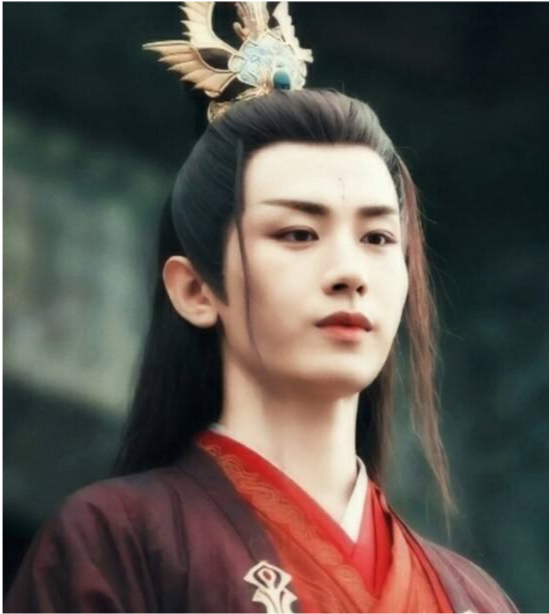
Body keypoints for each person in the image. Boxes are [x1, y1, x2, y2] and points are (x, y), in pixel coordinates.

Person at [3, 2, 522, 613]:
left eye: (378, 238)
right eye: (298, 234)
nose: (350, 273)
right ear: (195, 290)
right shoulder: (116, 544)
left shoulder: (474, 599)